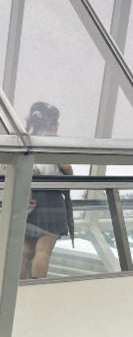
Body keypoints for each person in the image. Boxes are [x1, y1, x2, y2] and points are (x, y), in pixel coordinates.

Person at [21, 101, 73, 279]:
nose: (57, 125)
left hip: (31, 200)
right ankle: (37, 288)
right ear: (48, 122)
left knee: (26, 250)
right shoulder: (54, 143)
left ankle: (16, 286)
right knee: (43, 251)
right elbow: (66, 169)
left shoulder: (28, 140)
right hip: (51, 201)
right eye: (55, 122)